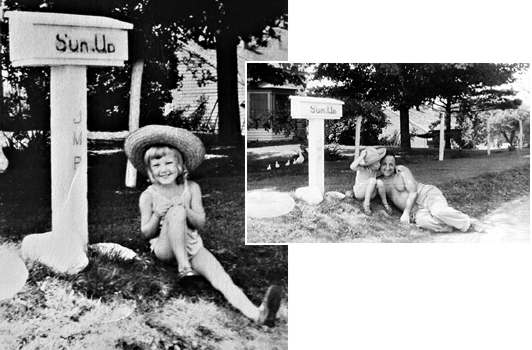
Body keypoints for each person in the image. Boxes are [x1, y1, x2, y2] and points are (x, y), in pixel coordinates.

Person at [124, 125, 282, 326]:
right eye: (156, 165)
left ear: (180, 165)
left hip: (193, 246)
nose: (163, 169)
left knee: (221, 277)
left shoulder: (192, 188)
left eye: (168, 162)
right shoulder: (148, 195)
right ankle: (183, 267)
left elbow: (200, 222)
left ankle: (258, 314)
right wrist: (157, 214)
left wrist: (186, 208)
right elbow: (146, 233)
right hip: (165, 250)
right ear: (149, 171)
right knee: (176, 212)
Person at [380, 154, 482, 232]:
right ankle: (454, 225)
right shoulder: (379, 182)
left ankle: (469, 222)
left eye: (391, 164)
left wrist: (406, 213)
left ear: (395, 165)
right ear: (379, 165)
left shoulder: (401, 170)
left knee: (438, 212)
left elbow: (414, 192)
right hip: (416, 211)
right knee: (424, 222)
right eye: (384, 164)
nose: (388, 168)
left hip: (426, 195)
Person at [350, 146, 392, 215]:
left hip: (371, 193)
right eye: (376, 163)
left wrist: (395, 169)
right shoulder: (363, 169)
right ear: (370, 164)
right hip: (359, 193)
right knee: (373, 180)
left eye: (379, 161)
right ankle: (366, 204)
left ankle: (385, 204)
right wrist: (361, 156)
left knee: (379, 182)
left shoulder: (374, 171)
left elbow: (386, 172)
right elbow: (352, 167)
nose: (379, 164)